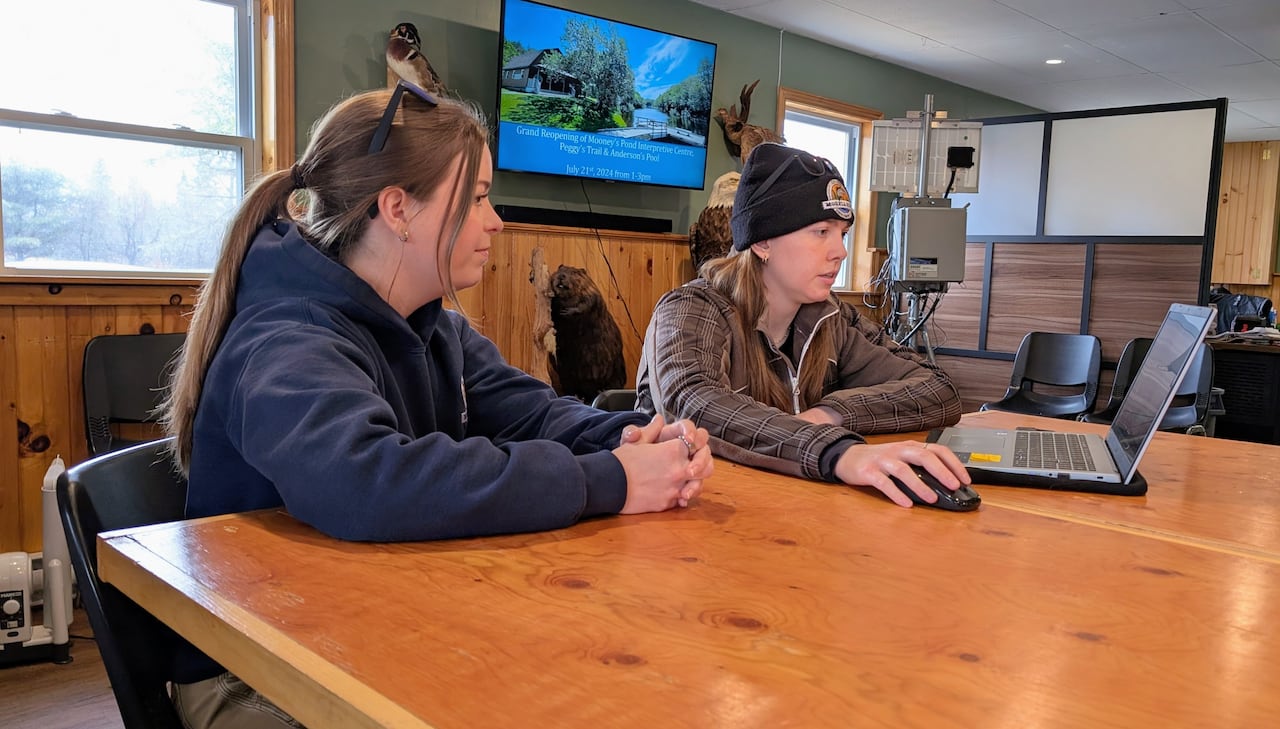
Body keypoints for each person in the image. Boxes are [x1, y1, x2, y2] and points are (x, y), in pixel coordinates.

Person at [159, 80, 713, 728]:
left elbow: (532, 412)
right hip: (254, 670)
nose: (495, 220)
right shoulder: (283, 338)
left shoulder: (432, 325)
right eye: (477, 197)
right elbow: (368, 481)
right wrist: (608, 480)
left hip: (361, 623)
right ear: (398, 208)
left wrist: (639, 436)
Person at [636, 142, 966, 509]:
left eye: (842, 233)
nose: (839, 251)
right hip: (688, 516)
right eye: (821, 231)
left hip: (790, 507)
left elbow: (938, 388)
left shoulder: (831, 316)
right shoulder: (691, 309)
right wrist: (834, 450)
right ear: (763, 240)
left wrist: (830, 414)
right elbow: (696, 407)